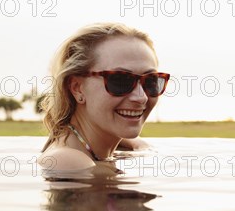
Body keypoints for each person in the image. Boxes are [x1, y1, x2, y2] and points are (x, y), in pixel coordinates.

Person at [38, 22, 170, 171]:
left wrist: (139, 145)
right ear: (77, 88)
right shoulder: (69, 160)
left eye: (150, 81)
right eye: (120, 80)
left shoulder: (87, 149)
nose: (141, 97)